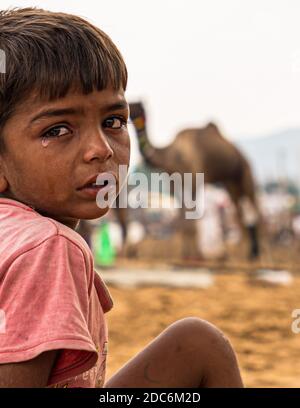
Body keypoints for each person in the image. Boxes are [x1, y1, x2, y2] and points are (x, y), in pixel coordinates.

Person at [0, 8, 243, 388]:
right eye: (58, 128)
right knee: (201, 344)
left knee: (196, 344)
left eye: (114, 121)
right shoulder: (48, 247)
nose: (101, 149)